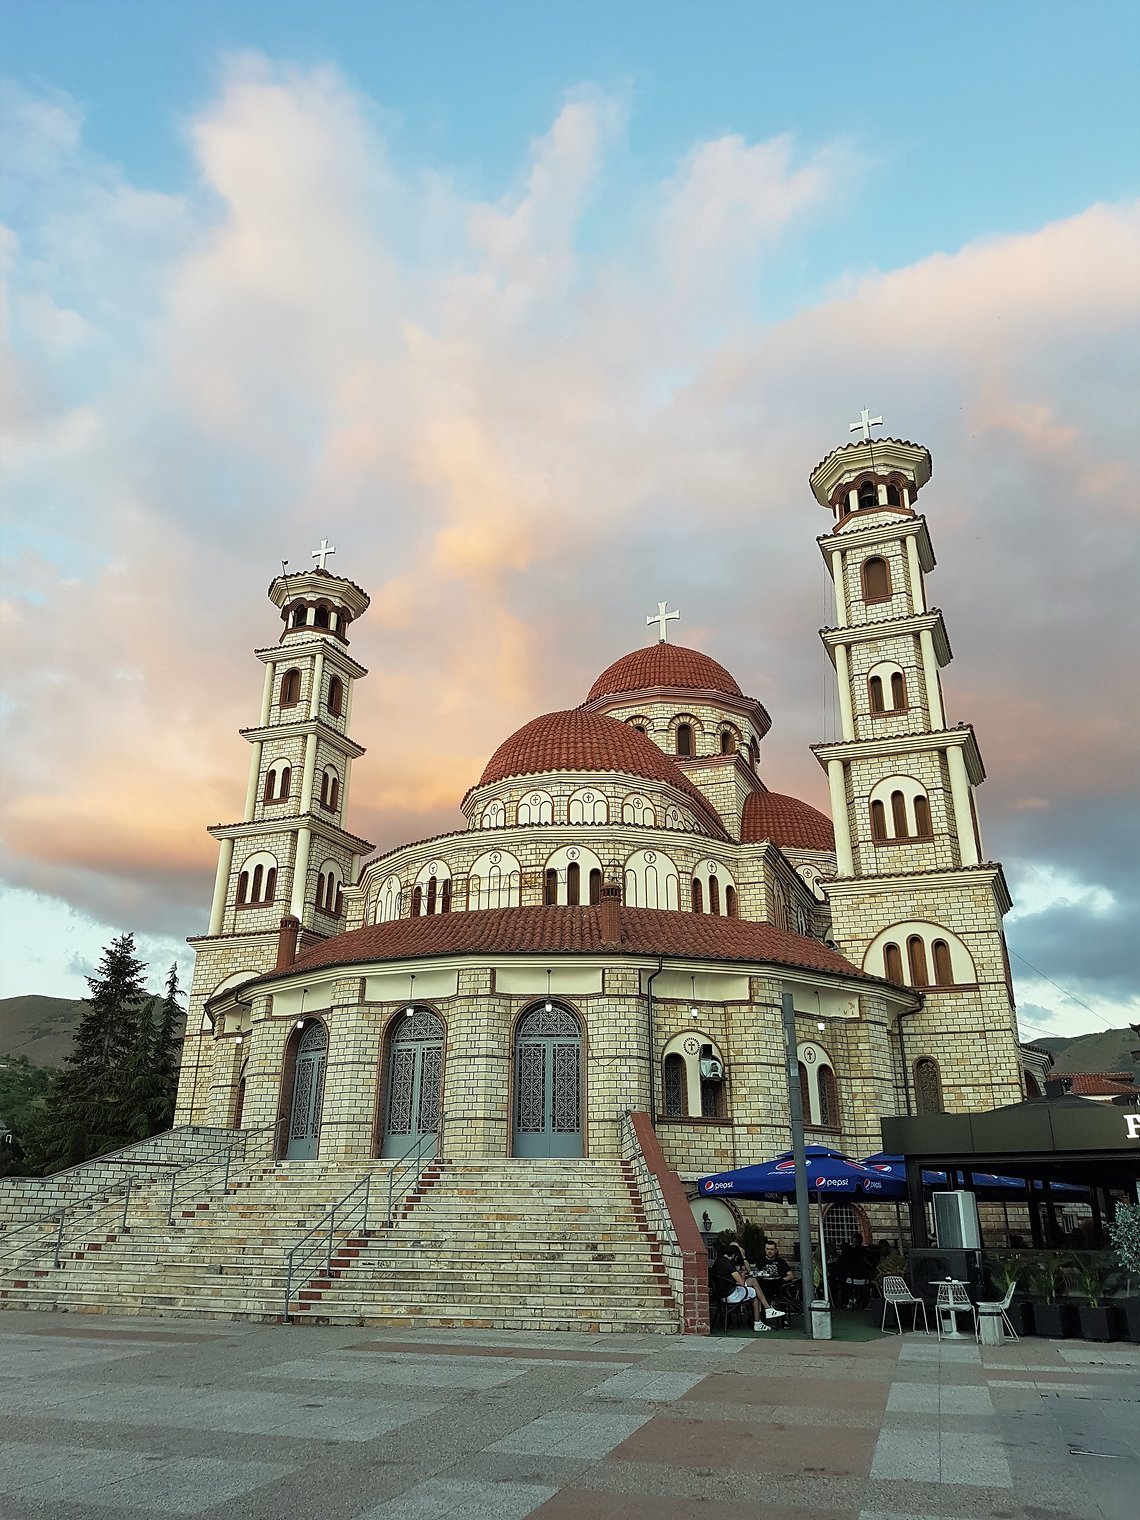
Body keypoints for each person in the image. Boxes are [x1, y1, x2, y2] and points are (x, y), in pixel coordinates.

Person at [715, 1239, 785, 1329]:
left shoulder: (719, 1261)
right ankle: (760, 1318)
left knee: (753, 1288)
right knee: (754, 1289)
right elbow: (742, 1283)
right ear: (733, 1255)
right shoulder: (729, 1264)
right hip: (729, 1295)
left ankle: (766, 1311)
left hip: (721, 1294)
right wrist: (743, 1275)